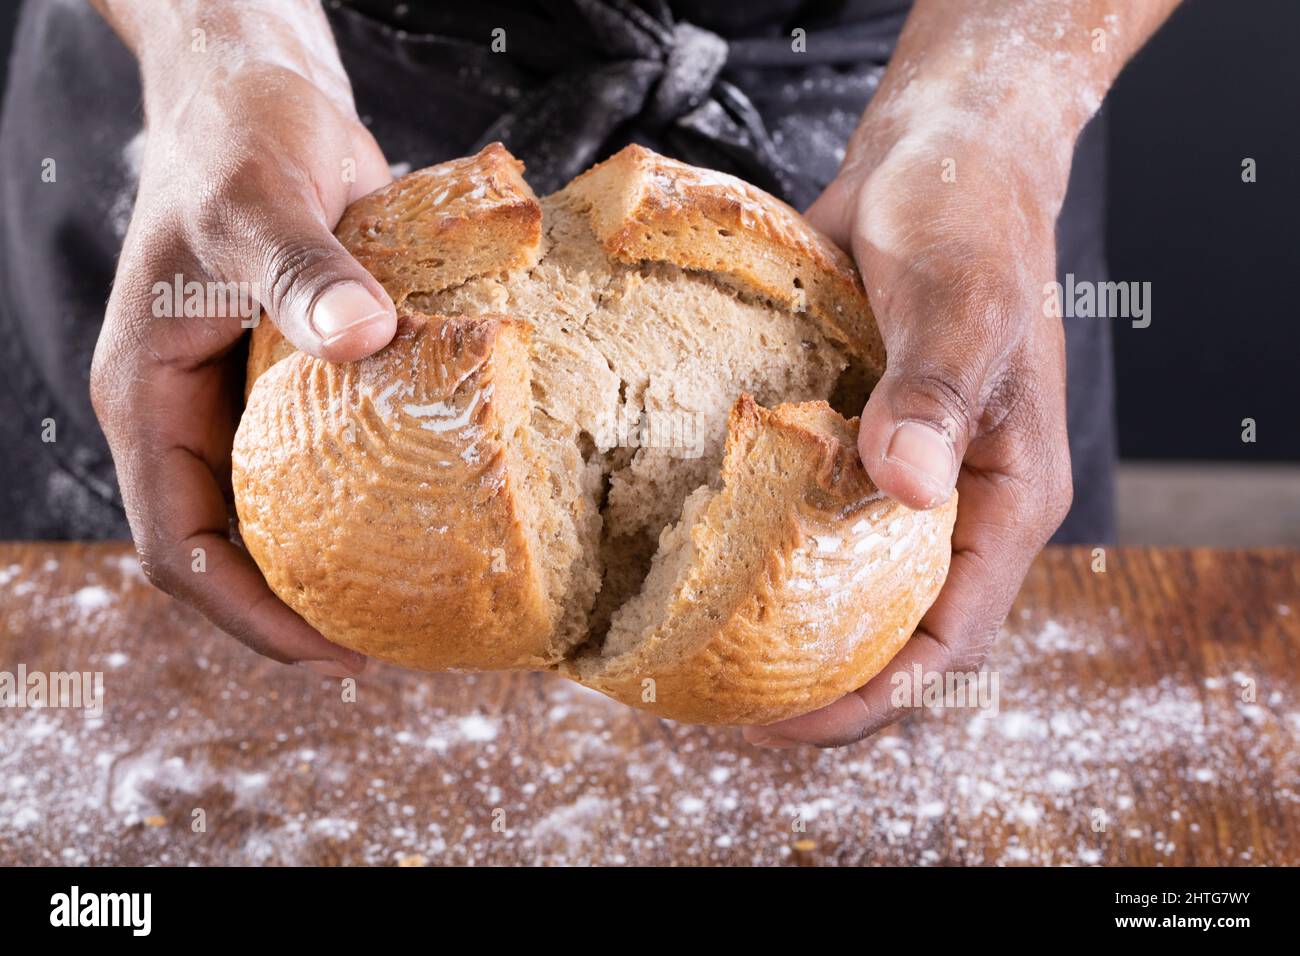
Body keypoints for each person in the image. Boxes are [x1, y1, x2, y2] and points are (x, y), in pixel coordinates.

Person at [0, 0, 1180, 747]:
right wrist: (220, 48)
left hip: (926, 153)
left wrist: (989, 110)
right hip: (251, 160)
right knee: (145, 769)